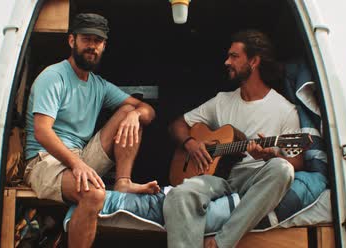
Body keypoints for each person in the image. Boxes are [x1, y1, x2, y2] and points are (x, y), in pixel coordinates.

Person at [23, 13, 160, 248]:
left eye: (97, 42)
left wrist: (135, 115)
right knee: (94, 194)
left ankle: (123, 182)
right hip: (44, 162)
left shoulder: (98, 85)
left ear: (104, 46)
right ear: (72, 41)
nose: (92, 46)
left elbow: (148, 110)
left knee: (129, 110)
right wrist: (77, 165)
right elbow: (42, 132)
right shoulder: (53, 76)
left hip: (80, 156)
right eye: (86, 39)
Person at [164, 29, 303, 248]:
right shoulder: (221, 101)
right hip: (220, 178)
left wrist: (270, 156)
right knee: (179, 194)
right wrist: (191, 144)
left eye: (234, 56)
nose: (227, 61)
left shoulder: (285, 110)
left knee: (283, 169)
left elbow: (297, 161)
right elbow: (177, 125)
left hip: (255, 176)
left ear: (254, 61)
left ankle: (221, 243)